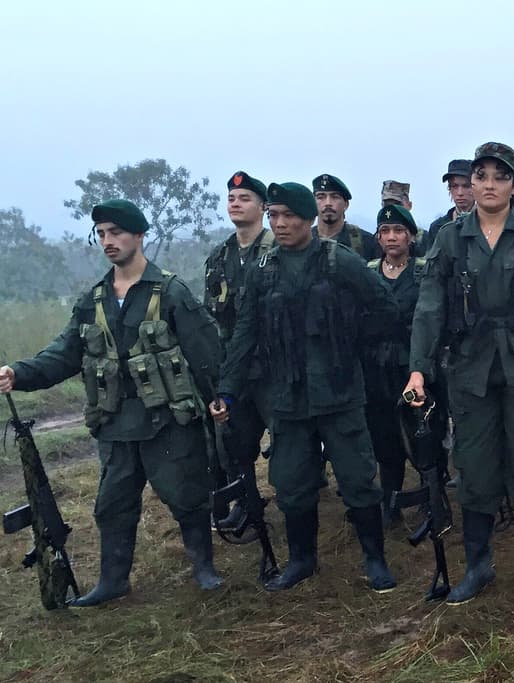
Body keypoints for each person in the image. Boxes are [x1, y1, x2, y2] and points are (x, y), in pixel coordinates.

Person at [0, 199, 224, 606]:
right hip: (116, 424)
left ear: (139, 235)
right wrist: (19, 373)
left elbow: (206, 353)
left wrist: (220, 399)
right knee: (112, 506)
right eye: (101, 234)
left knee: (187, 496)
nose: (108, 241)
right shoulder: (94, 299)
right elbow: (65, 353)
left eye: (116, 232)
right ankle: (112, 581)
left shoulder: (169, 292)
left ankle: (203, 568)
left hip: (168, 422)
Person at [405, 143, 514, 606]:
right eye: (479, 176)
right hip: (471, 368)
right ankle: (478, 566)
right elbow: (429, 306)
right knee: (476, 471)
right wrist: (418, 370)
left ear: (512, 184)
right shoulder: (450, 237)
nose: (487, 184)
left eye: (498, 177)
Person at [214, 181, 398, 594]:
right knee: (292, 482)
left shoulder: (339, 261)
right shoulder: (265, 270)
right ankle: (301, 560)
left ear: (309, 220)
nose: (280, 224)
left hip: (339, 392)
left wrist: (350, 340)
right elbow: (244, 333)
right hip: (288, 397)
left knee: (356, 480)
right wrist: (227, 390)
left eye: (289, 216)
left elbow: (385, 307)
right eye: (274, 215)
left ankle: (375, 560)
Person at [361, 204, 446, 527]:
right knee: (384, 438)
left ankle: (432, 499)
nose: (392, 237)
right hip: (378, 370)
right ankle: (390, 501)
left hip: (416, 366)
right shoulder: (367, 272)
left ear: (411, 237)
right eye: (385, 232)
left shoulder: (424, 271)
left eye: (399, 231)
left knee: (425, 434)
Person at [203, 171, 275, 532]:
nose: (236, 203)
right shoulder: (220, 256)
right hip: (236, 370)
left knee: (289, 445)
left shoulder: (277, 249)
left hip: (274, 367)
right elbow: (211, 317)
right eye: (232, 198)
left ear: (262, 207)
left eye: (245, 198)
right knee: (236, 444)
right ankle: (246, 504)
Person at [312, 174, 381, 259]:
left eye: (335, 197)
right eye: (321, 197)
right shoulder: (303, 240)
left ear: (346, 204)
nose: (328, 203)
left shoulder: (366, 242)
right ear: (313, 203)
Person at [417, 160, 476, 254]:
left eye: (466, 186)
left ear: (476, 186)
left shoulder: (488, 222)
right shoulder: (437, 227)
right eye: (454, 186)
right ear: (449, 188)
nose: (460, 193)